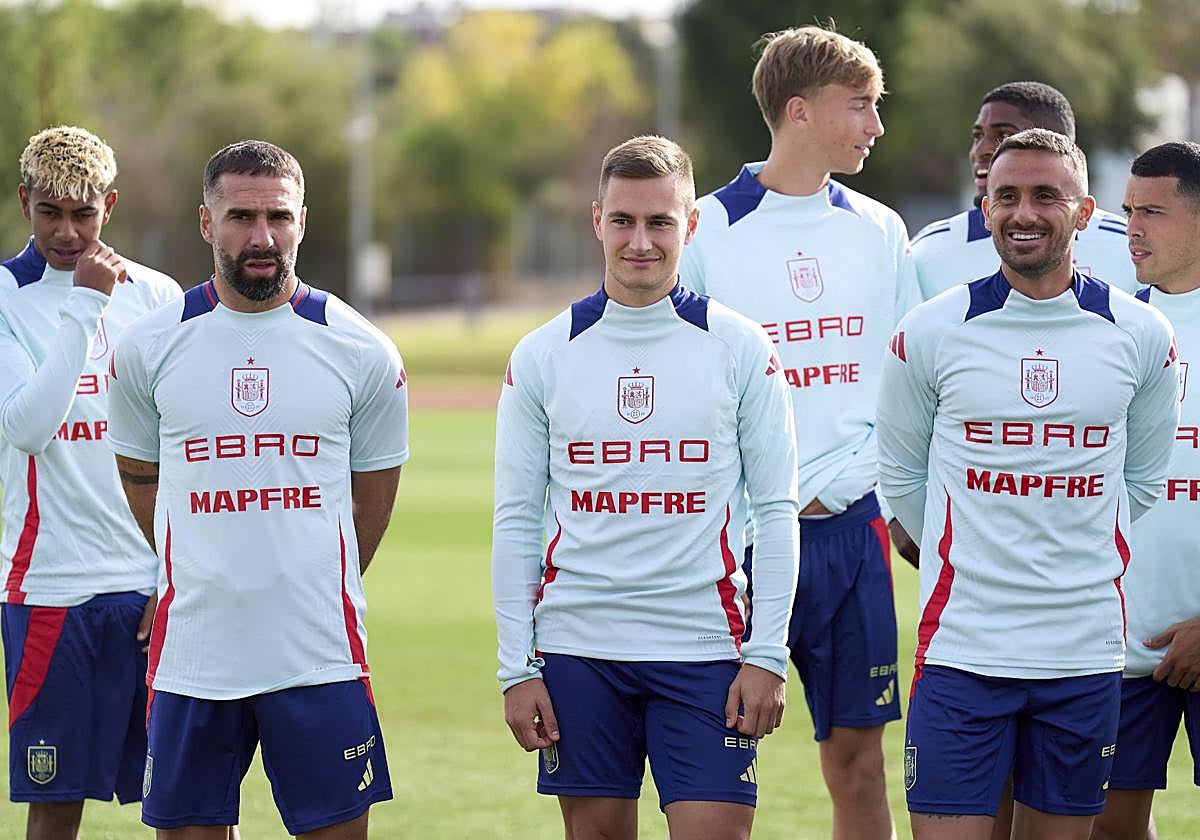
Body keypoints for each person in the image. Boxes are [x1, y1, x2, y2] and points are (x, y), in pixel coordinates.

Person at [492, 134, 800, 840]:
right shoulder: (543, 354)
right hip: (579, 648)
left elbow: (777, 511)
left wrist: (766, 653)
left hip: (705, 648)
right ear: (596, 219)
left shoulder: (741, 347)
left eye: (660, 222)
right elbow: (516, 520)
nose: (641, 241)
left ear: (689, 226)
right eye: (624, 221)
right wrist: (518, 668)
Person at [877, 128, 1180, 840]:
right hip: (962, 650)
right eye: (1006, 195)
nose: (1024, 212)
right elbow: (901, 475)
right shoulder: (931, 330)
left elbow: (1137, 482)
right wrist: (975, 551)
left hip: (1082, 652)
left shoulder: (1141, 334)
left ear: (1083, 212)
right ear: (984, 206)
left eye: (1047, 195)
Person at [106, 140, 408, 839]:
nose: (262, 236)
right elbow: (141, 482)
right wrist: (201, 571)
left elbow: (372, 502)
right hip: (194, 656)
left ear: (304, 219)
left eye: (278, 216)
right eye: (240, 216)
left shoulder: (363, 351)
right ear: (207, 224)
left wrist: (296, 581)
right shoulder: (148, 349)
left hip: (318, 652)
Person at [678, 26, 912, 840]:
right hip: (739, 541)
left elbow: (908, 378)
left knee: (859, 765)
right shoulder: (702, 229)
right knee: (717, 769)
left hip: (853, 532)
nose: (875, 126)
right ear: (799, 111)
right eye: (862, 107)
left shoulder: (881, 230)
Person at [0, 126, 180, 840]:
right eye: (51, 213)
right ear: (25, 204)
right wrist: (84, 304)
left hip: (147, 591)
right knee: (54, 804)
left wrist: (172, 573)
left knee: (186, 802)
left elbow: (182, 448)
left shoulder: (158, 295)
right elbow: (28, 427)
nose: (67, 232)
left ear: (110, 204)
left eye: (84, 213)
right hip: (49, 587)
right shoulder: (8, 297)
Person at [1091, 141, 1200, 840]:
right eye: (1128, 210)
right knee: (1109, 827)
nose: (1132, 228)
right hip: (1122, 641)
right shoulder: (1107, 330)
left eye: (1152, 212)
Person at [911, 81, 1136, 303]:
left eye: (1004, 135)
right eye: (978, 136)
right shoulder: (927, 251)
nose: (980, 150)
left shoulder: (1128, 248)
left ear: (1054, 143)